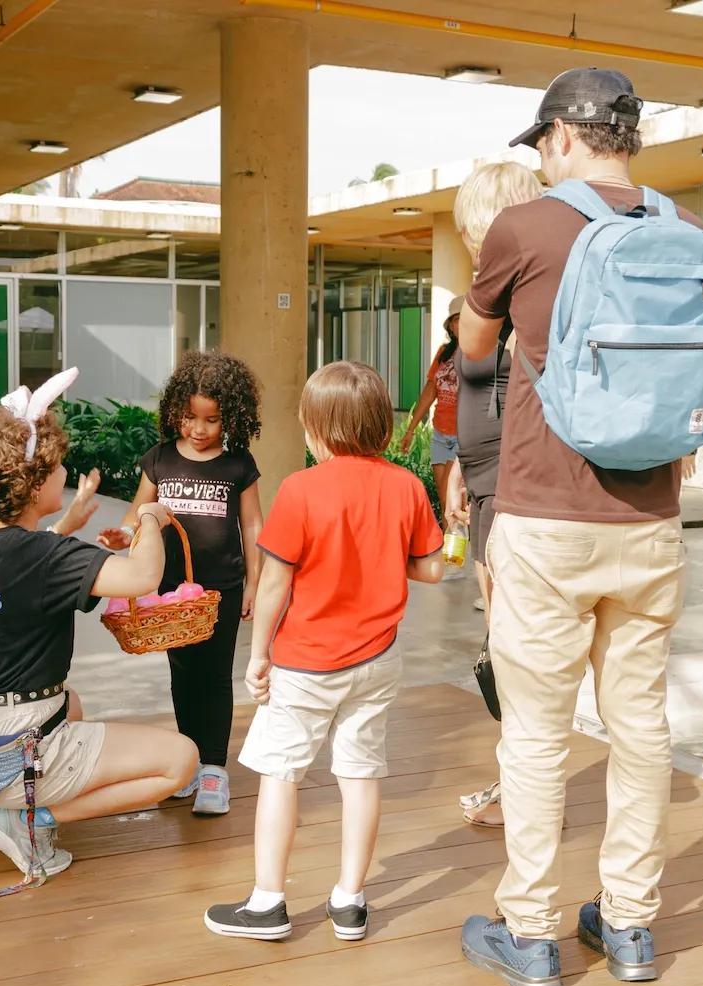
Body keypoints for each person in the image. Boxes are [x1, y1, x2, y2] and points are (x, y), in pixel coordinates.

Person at [456, 68, 703, 986]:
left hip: (545, 523)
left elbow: (473, 348)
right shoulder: (686, 231)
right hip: (651, 522)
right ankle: (630, 924)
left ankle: (531, 934)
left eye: (543, 144)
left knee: (536, 734)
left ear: (561, 135)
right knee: (640, 728)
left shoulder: (524, 228)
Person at [203, 361, 444, 943]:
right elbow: (431, 569)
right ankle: (350, 901)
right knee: (360, 775)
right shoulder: (407, 486)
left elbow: (274, 584)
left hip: (305, 663)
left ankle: (268, 904)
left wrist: (258, 655)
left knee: (281, 774)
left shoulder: (301, 489)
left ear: (317, 427)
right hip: (377, 659)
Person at [0, 371, 198, 884]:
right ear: (34, 484)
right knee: (181, 761)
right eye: (57, 467)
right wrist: (150, 519)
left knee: (70, 703)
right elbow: (142, 577)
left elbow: (22, 568)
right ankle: (28, 818)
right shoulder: (48, 557)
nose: (65, 472)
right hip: (15, 746)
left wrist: (64, 527)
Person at [99, 351, 263, 816]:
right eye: (190, 417)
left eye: (211, 420)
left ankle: (214, 768)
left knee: (215, 676)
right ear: (176, 410)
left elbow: (253, 525)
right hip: (170, 592)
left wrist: (254, 583)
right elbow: (139, 514)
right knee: (183, 675)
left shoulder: (238, 464)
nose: (199, 428)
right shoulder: (161, 459)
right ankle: (189, 760)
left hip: (222, 589)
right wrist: (124, 534)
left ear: (231, 418)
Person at [440, 161, 544, 830]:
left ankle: (525, 789)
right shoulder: (490, 293)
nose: (468, 243)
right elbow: (481, 391)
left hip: (514, 488)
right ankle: (518, 781)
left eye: (470, 229)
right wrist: (458, 462)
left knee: (515, 647)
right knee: (499, 643)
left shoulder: (528, 293)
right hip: (481, 482)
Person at [399, 300, 461, 512]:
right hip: (440, 434)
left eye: (464, 319)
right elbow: (430, 391)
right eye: (456, 319)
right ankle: (449, 534)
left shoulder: (478, 354)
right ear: (450, 326)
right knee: (444, 499)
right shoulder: (444, 353)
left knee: (451, 496)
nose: (460, 324)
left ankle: (455, 534)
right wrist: (410, 430)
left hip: (462, 435)